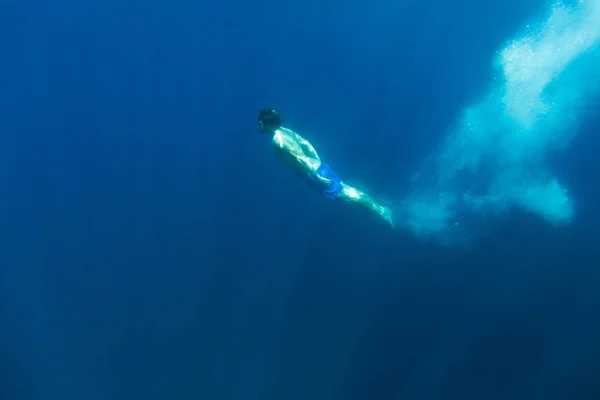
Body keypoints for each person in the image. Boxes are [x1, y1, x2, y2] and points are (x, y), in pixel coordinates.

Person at [258, 109, 393, 227]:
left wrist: (317, 177)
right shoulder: (285, 131)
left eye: (260, 123)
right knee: (345, 189)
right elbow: (305, 143)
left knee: (346, 196)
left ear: (265, 123)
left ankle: (381, 211)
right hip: (317, 166)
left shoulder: (277, 140)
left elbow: (300, 158)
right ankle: (380, 208)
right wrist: (317, 160)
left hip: (314, 174)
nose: (259, 125)